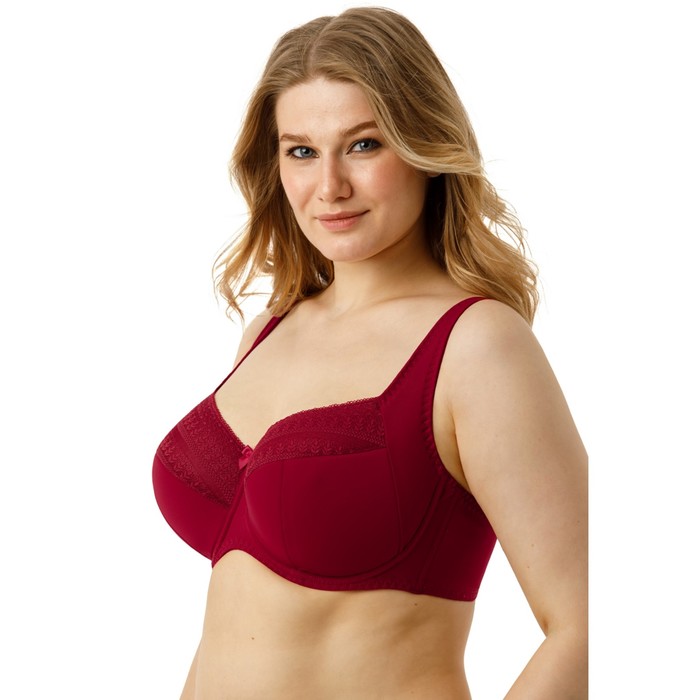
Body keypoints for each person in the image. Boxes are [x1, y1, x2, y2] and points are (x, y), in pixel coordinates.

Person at [152, 7, 588, 699]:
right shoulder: (266, 330)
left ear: (423, 147)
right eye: (301, 151)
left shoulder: (475, 346)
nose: (329, 187)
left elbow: (585, 626)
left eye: (362, 145)